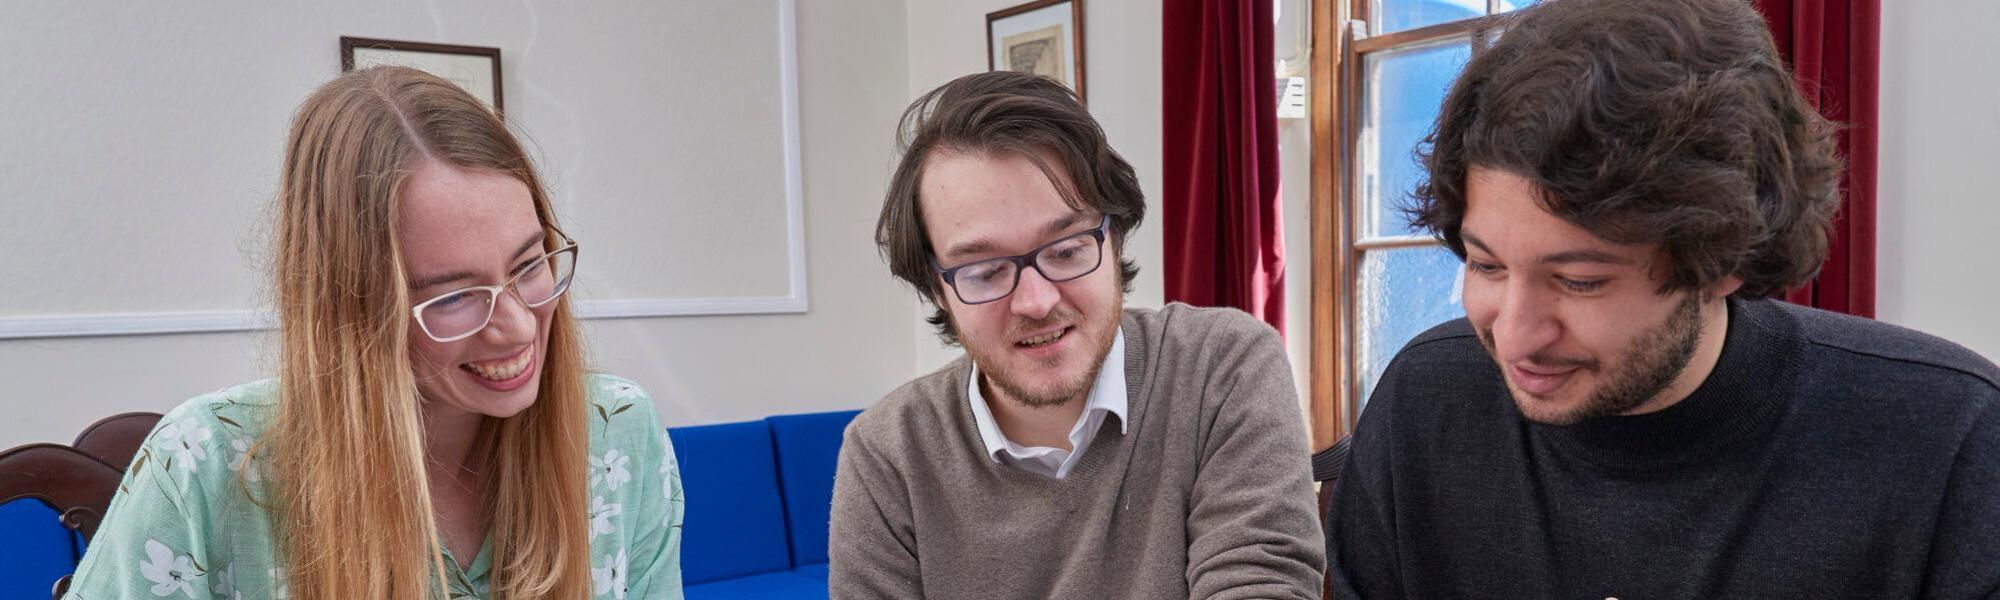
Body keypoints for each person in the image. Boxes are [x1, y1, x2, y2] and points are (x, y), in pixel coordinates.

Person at [1326, 0, 2000, 597]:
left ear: (1723, 261)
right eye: (1487, 265)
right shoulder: (1427, 403)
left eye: (1580, 281)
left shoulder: (1951, 439)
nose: (1515, 336)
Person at [64, 66, 683, 600]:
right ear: (352, 311)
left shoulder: (617, 431)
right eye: (455, 295)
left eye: (529, 264)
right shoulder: (202, 465)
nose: (518, 326)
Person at [829, 71, 1324, 600]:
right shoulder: (888, 453)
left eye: (1066, 251)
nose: (1038, 302)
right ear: (937, 289)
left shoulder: (1222, 367)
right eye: (985, 270)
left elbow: (1261, 584)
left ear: (1115, 238)